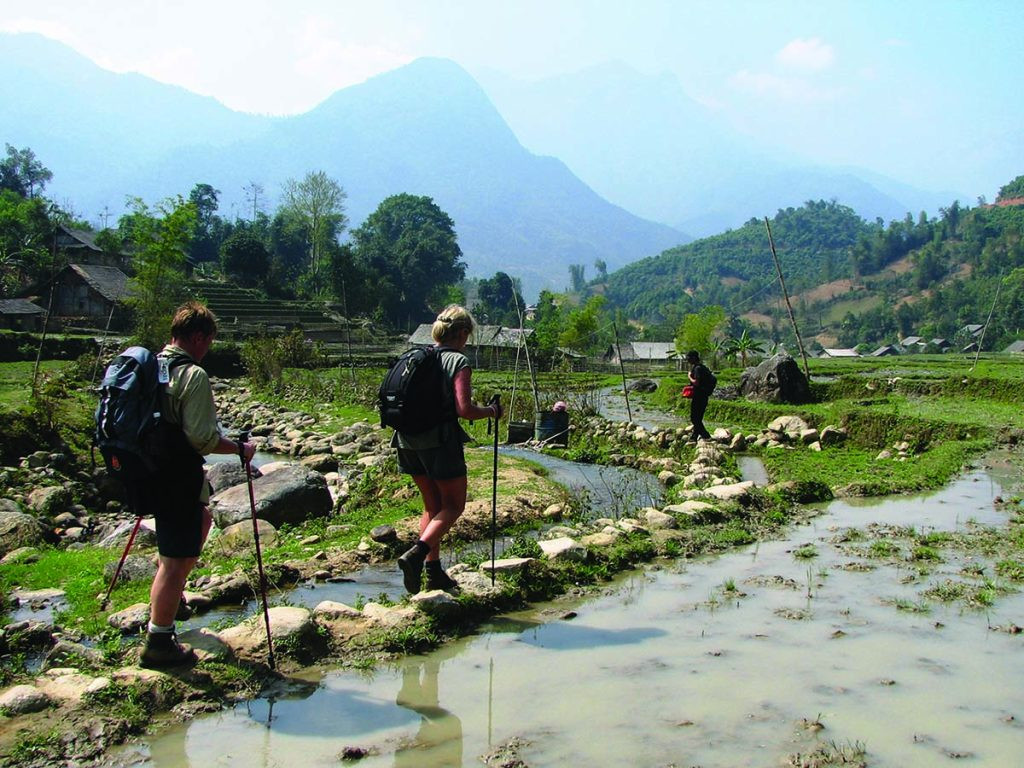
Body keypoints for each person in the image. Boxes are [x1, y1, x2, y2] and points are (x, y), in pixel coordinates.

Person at [139, 301, 256, 667]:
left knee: (197, 527)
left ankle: (170, 605)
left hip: (148, 470)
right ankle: (158, 641)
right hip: (176, 474)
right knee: (174, 562)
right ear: (199, 337)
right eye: (208, 342)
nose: (208, 350)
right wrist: (239, 447)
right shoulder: (192, 375)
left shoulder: (149, 367)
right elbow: (203, 439)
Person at [394, 305, 502, 594]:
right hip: (439, 441)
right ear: (463, 333)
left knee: (432, 506)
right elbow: (464, 410)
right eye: (468, 334)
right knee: (453, 506)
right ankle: (416, 555)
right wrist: (492, 411)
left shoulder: (415, 356)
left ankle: (433, 572)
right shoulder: (458, 361)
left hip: (406, 439)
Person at [686, 350, 713, 441]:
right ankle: (694, 437)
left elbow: (696, 383)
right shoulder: (702, 367)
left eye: (689, 358)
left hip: (699, 396)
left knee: (694, 418)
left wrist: (689, 376)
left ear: (694, 358)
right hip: (703, 396)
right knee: (698, 418)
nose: (688, 360)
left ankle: (706, 436)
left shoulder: (697, 369)